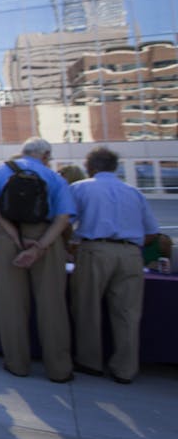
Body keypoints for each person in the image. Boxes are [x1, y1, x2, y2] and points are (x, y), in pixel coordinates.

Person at [0, 137, 76, 382]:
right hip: (44, 237)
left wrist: (13, 235)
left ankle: (17, 363)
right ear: (45, 155)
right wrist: (41, 246)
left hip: (7, 237)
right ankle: (58, 368)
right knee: (52, 305)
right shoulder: (54, 177)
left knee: (10, 304)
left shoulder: (1, 171)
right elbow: (64, 217)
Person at [69, 147, 160, 384]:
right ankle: (125, 368)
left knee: (87, 307)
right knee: (128, 313)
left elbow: (64, 222)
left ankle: (90, 361)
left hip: (95, 248)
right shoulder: (134, 192)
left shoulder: (81, 188)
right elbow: (152, 232)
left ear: (90, 166)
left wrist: (70, 245)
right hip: (130, 253)